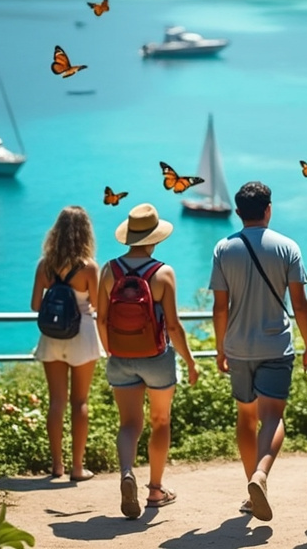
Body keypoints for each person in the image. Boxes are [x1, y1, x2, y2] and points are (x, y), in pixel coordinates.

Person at [210, 181, 307, 522]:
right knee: (272, 416)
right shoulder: (288, 248)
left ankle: (250, 488)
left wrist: (219, 347)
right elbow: (300, 305)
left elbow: (219, 307)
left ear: (239, 212)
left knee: (246, 416)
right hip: (276, 345)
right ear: (269, 208)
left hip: (238, 347)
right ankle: (261, 474)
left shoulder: (223, 249)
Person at [95, 203, 199, 519]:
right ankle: (155, 489)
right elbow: (173, 326)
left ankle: (128, 472)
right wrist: (190, 361)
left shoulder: (108, 270)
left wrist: (111, 351)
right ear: (154, 238)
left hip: (121, 358)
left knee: (128, 423)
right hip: (157, 358)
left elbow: (101, 318)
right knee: (160, 421)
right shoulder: (163, 273)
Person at [30, 206, 102, 482]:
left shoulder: (44, 264)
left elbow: (36, 304)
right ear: (85, 233)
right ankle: (77, 468)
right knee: (80, 401)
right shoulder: (89, 267)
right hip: (82, 334)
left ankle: (57, 466)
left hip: (51, 335)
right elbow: (96, 305)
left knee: (56, 401)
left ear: (56, 232)